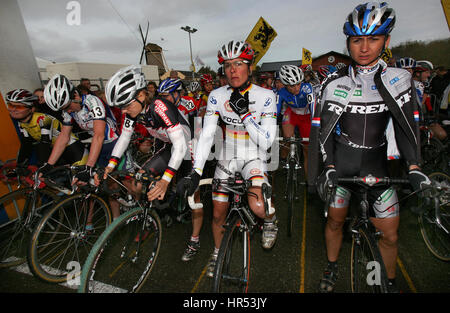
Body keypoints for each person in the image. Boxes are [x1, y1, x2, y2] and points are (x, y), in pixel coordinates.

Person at [308, 2, 431, 293]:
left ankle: (388, 283)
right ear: (348, 43)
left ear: (387, 41)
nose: (364, 47)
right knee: (336, 223)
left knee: (389, 235)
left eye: (373, 39)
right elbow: (322, 133)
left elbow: (406, 128)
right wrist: (326, 169)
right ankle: (332, 264)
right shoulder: (333, 83)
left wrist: (414, 166)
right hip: (341, 165)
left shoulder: (399, 79)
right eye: (356, 40)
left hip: (378, 166)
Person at [178, 40, 278, 277]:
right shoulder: (216, 95)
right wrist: (197, 171)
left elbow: (266, 141)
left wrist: (245, 114)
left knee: (257, 206)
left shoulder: (266, 95)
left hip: (254, 155)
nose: (233, 70)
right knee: (217, 212)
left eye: (239, 64)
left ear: (250, 67)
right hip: (227, 155)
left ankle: (271, 219)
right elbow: (207, 136)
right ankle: (216, 252)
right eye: (228, 65)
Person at [102, 65, 190, 207]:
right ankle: (146, 216)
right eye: (121, 107)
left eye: (126, 105)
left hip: (188, 148)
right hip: (168, 146)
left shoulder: (159, 107)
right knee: (138, 181)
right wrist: (110, 165)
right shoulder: (135, 111)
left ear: (141, 96)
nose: (123, 111)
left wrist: (165, 180)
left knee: (191, 194)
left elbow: (180, 147)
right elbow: (124, 137)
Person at [41, 74, 119, 189]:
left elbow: (99, 135)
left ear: (75, 96)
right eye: (63, 109)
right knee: (103, 187)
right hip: (98, 147)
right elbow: (63, 137)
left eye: (67, 106)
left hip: (114, 143)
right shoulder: (68, 111)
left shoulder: (92, 102)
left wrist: (89, 167)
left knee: (127, 184)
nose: (67, 111)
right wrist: (49, 164)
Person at [6, 88, 87, 167]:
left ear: (32, 109)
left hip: (74, 151)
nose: (13, 110)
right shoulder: (22, 123)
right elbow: (26, 144)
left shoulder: (43, 119)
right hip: (58, 154)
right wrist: (19, 166)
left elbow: (45, 143)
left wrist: (42, 166)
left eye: (19, 107)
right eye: (10, 105)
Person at [277, 65, 315, 175]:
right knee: (287, 139)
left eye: (298, 84)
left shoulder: (307, 88)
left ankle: (309, 183)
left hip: (307, 116)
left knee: (307, 149)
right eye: (292, 86)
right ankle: (283, 160)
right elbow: (276, 111)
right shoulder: (281, 92)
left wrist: (316, 123)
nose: (297, 88)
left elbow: (313, 106)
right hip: (292, 114)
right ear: (285, 85)